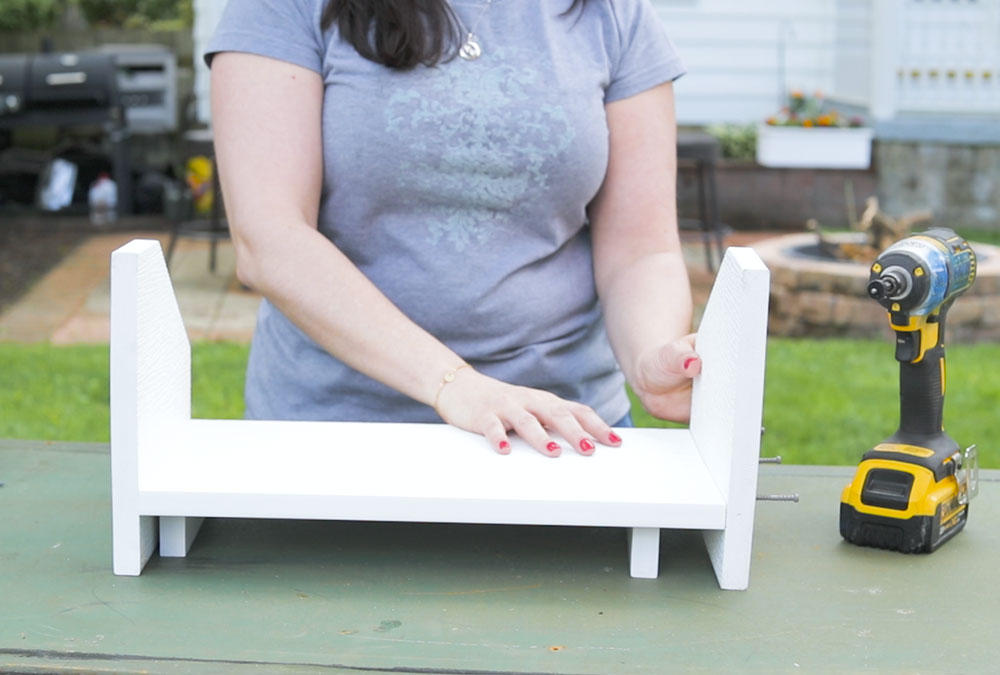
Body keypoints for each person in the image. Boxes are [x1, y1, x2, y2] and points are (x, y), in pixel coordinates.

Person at [206, 0, 701, 458]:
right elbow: (270, 239)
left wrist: (649, 357)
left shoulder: (611, 13)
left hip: (564, 433)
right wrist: (455, 384)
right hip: (335, 435)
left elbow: (641, 251)